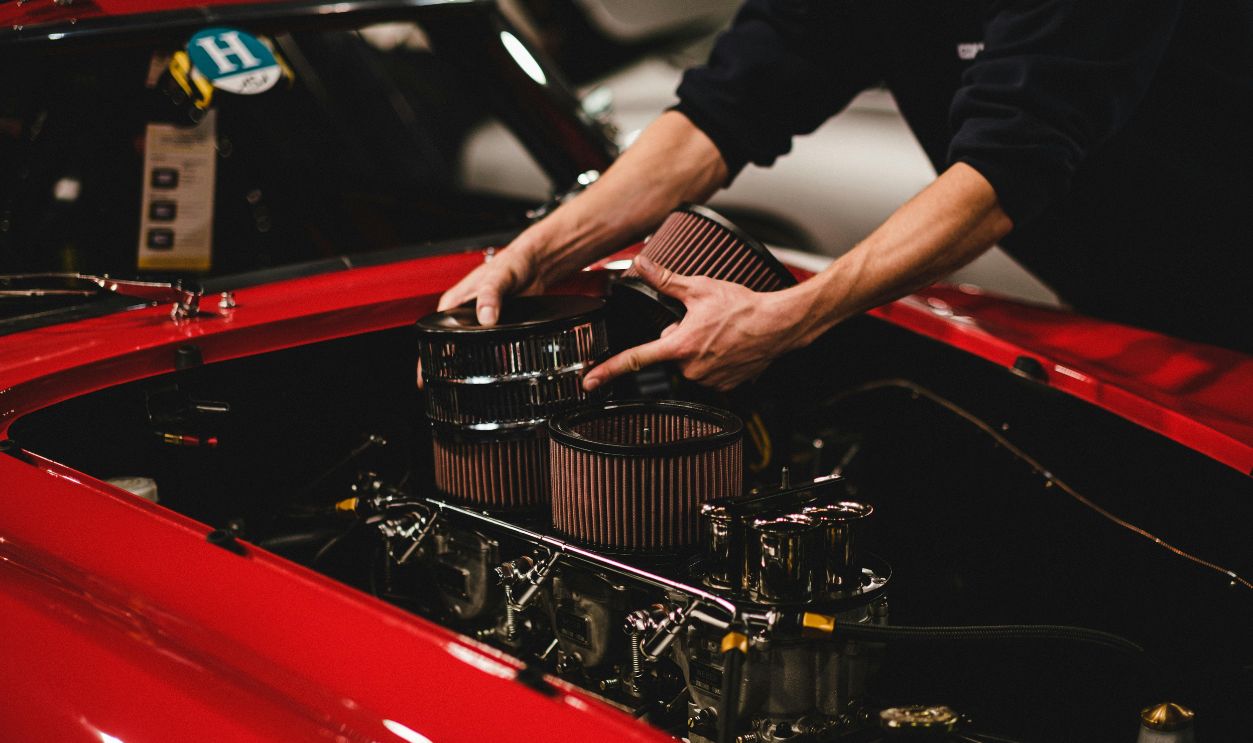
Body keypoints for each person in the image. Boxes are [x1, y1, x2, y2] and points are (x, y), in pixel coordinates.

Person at [439, 0, 1253, 391]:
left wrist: (791, 317)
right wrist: (534, 251)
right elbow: (725, 109)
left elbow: (1013, 157)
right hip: (1129, 296)